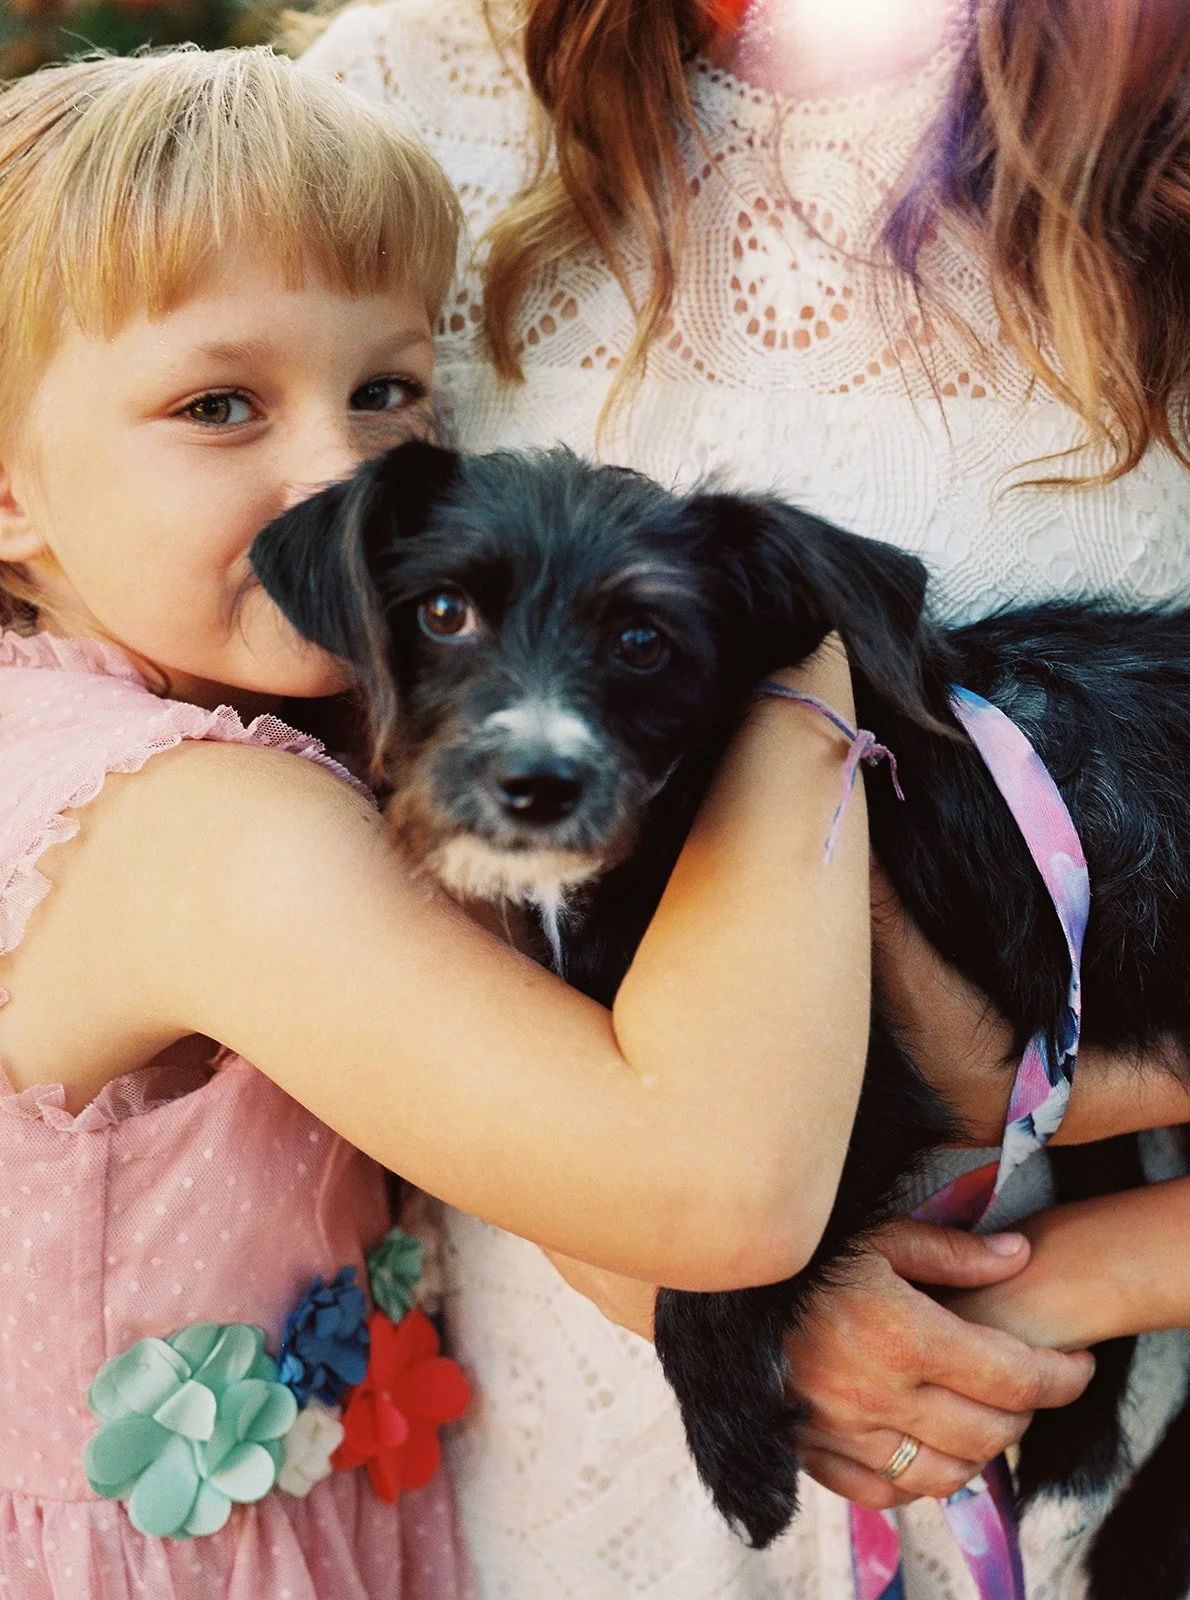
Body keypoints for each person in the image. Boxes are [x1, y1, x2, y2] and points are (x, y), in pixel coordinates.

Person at [0, 41, 937, 1599]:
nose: (336, 472)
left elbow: (527, 1123)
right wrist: (802, 662)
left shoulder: (102, 724)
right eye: (219, 403)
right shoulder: (192, 823)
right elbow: (713, 1185)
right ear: (8, 492)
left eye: (385, 393)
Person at [297, 1, 1190, 1595]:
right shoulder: (405, 92)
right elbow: (253, 759)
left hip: (1079, 1410)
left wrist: (1060, 1279)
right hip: (552, 1358)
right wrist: (699, 1265)